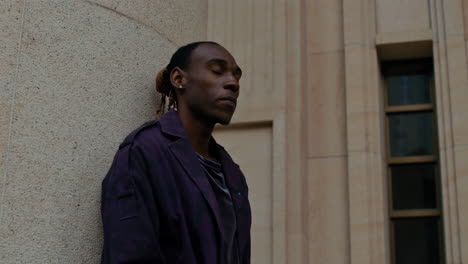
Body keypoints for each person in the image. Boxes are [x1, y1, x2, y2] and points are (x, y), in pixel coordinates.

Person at [100, 41, 251, 264]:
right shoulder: (145, 150)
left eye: (236, 76)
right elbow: (129, 253)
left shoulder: (232, 172)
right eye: (217, 71)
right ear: (179, 79)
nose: (233, 83)